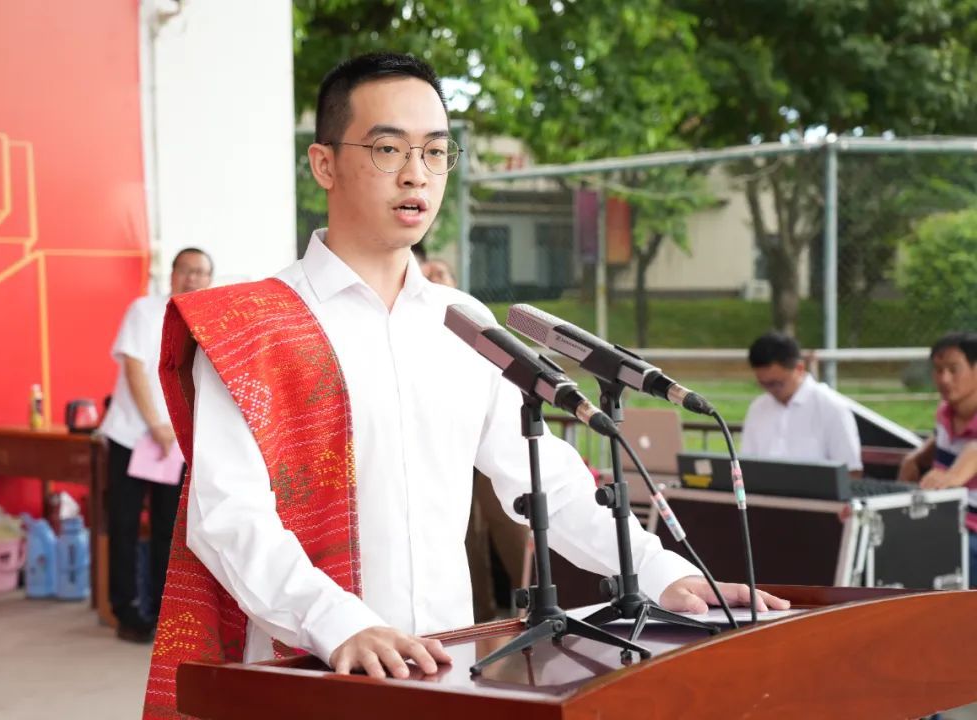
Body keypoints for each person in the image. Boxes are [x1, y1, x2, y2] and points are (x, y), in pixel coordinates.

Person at [143, 53, 786, 716]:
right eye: (388, 148)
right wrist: (340, 624)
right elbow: (227, 517)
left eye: (435, 151)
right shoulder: (252, 329)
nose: (416, 173)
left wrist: (661, 570)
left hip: (447, 670)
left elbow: (546, 482)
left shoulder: (463, 323)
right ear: (324, 164)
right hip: (311, 671)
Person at [99, 247, 213, 642]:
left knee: (169, 528)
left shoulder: (206, 321)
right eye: (186, 270)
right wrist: (155, 424)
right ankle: (127, 612)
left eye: (201, 272)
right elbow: (134, 369)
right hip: (133, 436)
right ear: (172, 273)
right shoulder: (145, 311)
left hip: (175, 443)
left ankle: (163, 611)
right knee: (125, 524)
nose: (193, 278)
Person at [899, 331, 977, 588]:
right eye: (938, 370)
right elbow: (941, 440)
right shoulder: (945, 412)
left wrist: (950, 478)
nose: (944, 379)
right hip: (943, 521)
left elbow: (973, 450)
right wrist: (916, 458)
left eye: (954, 370)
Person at [741, 331, 863, 476]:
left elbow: (851, 472)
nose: (770, 390)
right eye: (763, 384)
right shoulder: (758, 408)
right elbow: (746, 467)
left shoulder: (832, 408)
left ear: (799, 368)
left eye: (777, 383)